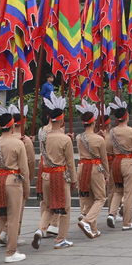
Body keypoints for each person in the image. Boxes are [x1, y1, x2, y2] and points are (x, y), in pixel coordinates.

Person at [0, 107, 30, 264]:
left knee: (1, 215)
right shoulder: (18, 143)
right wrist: (27, 188)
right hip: (13, 179)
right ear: (13, 125)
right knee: (13, 217)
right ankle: (11, 251)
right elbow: (24, 169)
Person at [33, 93, 77, 249]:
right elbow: (70, 163)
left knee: (49, 206)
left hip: (46, 175)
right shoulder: (65, 139)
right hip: (60, 175)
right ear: (62, 120)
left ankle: (40, 229)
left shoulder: (43, 136)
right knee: (64, 208)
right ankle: (61, 239)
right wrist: (73, 180)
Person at [105, 97, 132, 231]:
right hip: (128, 161)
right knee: (129, 193)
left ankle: (111, 213)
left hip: (116, 162)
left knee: (117, 190)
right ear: (126, 117)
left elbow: (108, 147)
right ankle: (126, 222)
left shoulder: (112, 132)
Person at [74, 102, 107, 239]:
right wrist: (107, 174)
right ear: (93, 123)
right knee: (100, 198)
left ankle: (93, 229)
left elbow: (87, 138)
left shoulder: (78, 137)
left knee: (88, 198)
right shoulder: (99, 139)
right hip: (95, 167)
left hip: (82, 167)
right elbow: (104, 159)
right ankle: (87, 221)